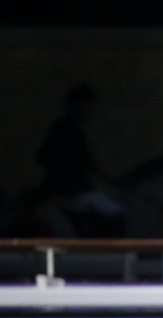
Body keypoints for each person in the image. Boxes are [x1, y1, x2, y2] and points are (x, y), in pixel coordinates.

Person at [34, 83, 127, 237]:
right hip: (72, 189)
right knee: (117, 214)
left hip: (65, 186)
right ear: (76, 105)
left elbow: (41, 156)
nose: (90, 110)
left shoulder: (62, 127)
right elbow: (84, 163)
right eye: (87, 105)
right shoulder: (71, 129)